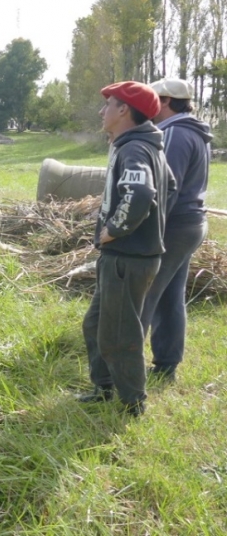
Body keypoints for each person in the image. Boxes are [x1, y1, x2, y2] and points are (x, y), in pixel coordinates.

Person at [79, 81, 174, 417]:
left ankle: (133, 403)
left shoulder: (135, 148)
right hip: (128, 257)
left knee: (121, 334)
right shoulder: (143, 145)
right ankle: (103, 387)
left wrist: (114, 230)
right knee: (95, 326)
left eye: (109, 104)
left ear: (124, 111)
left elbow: (142, 194)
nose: (102, 111)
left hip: (127, 258)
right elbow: (171, 188)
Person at [139, 78, 211, 382]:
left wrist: (143, 231)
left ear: (166, 102)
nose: (148, 108)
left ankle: (120, 369)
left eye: (154, 100)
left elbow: (166, 188)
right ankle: (167, 365)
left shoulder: (174, 134)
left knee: (142, 294)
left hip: (173, 225)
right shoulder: (193, 131)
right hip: (191, 224)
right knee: (170, 295)